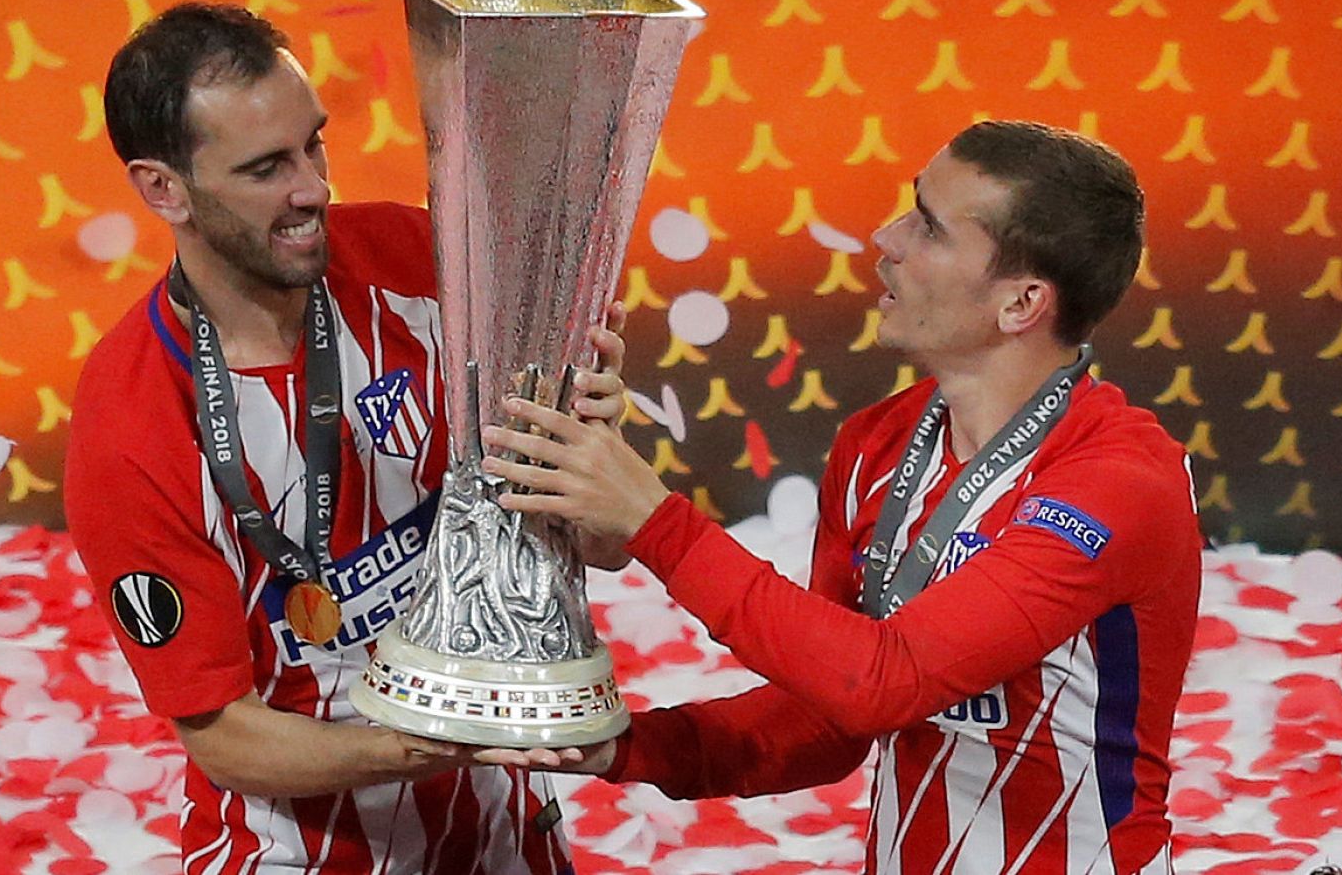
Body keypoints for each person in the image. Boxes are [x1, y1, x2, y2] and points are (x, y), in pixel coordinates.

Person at [482, 121, 1203, 874]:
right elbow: (828, 718)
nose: (884, 237)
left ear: (1021, 304)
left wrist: (656, 523)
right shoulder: (875, 446)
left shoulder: (1119, 481)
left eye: (928, 226)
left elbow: (882, 684)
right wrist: (623, 744)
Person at [64, 2, 626, 874]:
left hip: (503, 828)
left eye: (313, 146)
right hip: (298, 851)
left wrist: (584, 454)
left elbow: (593, 545)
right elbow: (224, 738)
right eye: (266, 168)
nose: (313, 189)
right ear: (163, 189)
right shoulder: (130, 422)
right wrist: (437, 740)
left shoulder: (420, 262)